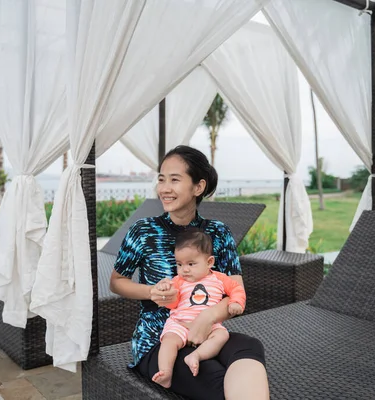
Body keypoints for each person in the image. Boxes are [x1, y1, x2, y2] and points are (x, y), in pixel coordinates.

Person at [110, 145, 269, 400]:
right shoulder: (143, 231)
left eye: (174, 179)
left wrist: (207, 318)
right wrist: (151, 292)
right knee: (213, 377)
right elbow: (117, 282)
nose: (164, 188)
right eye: (161, 179)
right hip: (160, 340)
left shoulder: (218, 232)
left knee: (250, 346)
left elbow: (236, 290)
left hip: (208, 331)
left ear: (198, 187)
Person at [152, 228, 246, 388]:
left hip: (209, 326)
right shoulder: (178, 281)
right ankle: (165, 372)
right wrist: (165, 292)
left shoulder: (219, 278)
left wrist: (236, 302)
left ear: (209, 262)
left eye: (191, 264)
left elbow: (236, 289)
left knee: (221, 336)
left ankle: (196, 356)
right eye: (179, 264)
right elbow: (172, 305)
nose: (184, 269)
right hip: (180, 323)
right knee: (168, 341)